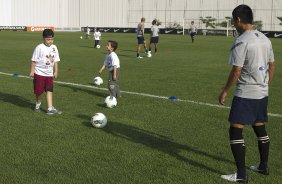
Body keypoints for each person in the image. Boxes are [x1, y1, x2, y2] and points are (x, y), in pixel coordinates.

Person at [219, 4, 275, 183]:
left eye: (234, 22)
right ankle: (263, 165)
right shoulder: (265, 38)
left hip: (246, 92)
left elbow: (236, 70)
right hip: (262, 91)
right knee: (259, 126)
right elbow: (272, 64)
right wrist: (266, 83)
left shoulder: (242, 40)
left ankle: (241, 174)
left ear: (238, 20)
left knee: (235, 130)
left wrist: (225, 91)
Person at [29, 29, 62, 115]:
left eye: (51, 39)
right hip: (39, 73)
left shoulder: (54, 47)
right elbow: (33, 60)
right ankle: (38, 104)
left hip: (49, 74)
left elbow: (56, 60)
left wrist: (56, 71)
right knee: (39, 92)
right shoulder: (39, 47)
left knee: (49, 90)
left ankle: (50, 108)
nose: (50, 41)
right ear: (43, 38)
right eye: (48, 39)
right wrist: (32, 71)